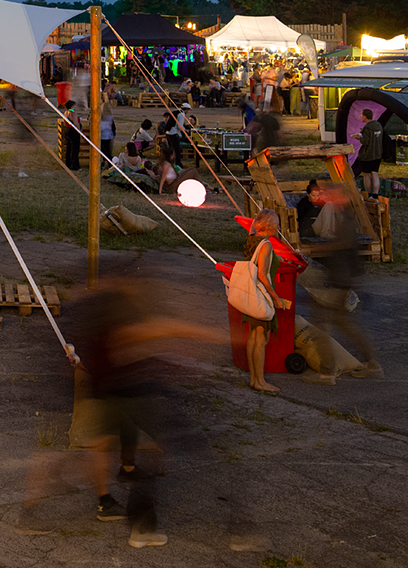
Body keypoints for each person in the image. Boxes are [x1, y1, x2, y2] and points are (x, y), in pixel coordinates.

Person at [70, 277, 226, 548]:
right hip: (127, 390)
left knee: (109, 439)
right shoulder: (123, 318)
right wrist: (210, 335)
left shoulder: (98, 312)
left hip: (106, 390)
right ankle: (141, 525)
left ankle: (115, 488)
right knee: (158, 446)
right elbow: (160, 330)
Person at [307, 185, 381, 378]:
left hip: (340, 278)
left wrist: (320, 251)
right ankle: (372, 364)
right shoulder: (344, 216)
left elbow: (346, 247)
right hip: (342, 278)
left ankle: (327, 373)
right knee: (345, 323)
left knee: (322, 324)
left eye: (332, 194)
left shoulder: (346, 219)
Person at [241, 210, 290, 394]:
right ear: (269, 226)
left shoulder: (251, 239)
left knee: (254, 337)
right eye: (276, 224)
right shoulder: (266, 245)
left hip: (250, 293)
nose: (278, 228)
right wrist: (275, 298)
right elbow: (262, 274)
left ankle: (254, 379)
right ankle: (260, 381)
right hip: (261, 295)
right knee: (261, 339)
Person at [353, 110, 384, 197]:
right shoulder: (378, 125)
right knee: (375, 173)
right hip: (377, 154)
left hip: (368, 155)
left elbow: (365, 142)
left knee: (366, 174)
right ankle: (375, 195)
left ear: (365, 116)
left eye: (362, 115)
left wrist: (359, 138)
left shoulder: (367, 128)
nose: (361, 116)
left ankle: (368, 194)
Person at [60, 101, 82, 171]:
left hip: (67, 130)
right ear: (72, 106)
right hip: (73, 131)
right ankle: (74, 165)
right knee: (75, 149)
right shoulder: (72, 112)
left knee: (69, 148)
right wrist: (79, 130)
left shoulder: (66, 112)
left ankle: (68, 163)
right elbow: (75, 122)